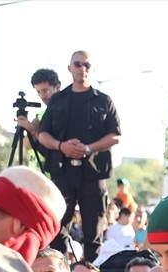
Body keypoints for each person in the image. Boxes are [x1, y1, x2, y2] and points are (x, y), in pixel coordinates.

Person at [36, 50, 122, 261]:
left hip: (93, 174)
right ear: (70, 68)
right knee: (58, 229)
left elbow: (115, 135)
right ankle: (58, 271)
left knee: (93, 233)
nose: (82, 68)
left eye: (86, 65)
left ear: (92, 69)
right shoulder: (58, 100)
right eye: (77, 64)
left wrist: (88, 148)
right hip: (62, 172)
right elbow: (42, 134)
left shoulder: (103, 101)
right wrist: (61, 146)